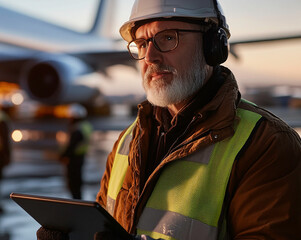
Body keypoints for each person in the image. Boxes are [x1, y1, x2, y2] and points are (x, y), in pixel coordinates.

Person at [37, 0, 301, 239]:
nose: (150, 57)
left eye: (168, 38)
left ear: (213, 46)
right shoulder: (126, 141)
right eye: (141, 44)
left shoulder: (267, 145)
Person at [59, 104, 93, 199]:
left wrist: (63, 155)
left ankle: (76, 200)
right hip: (81, 156)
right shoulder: (86, 125)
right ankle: (78, 199)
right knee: (78, 181)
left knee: (73, 182)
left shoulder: (77, 128)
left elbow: (72, 144)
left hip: (74, 158)